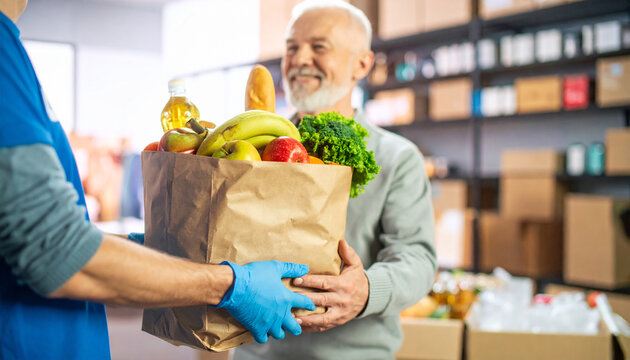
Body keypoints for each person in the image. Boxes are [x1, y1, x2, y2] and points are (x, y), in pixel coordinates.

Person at [0, 2, 315, 359]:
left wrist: (148, 248)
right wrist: (230, 286)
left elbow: (22, 229)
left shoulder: (10, 46)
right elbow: (54, 250)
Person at [234, 1, 437, 359]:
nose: (299, 60)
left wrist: (368, 290)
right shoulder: (251, 147)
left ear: (362, 63)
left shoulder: (396, 158)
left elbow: (417, 259)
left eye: (319, 47)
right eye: (291, 48)